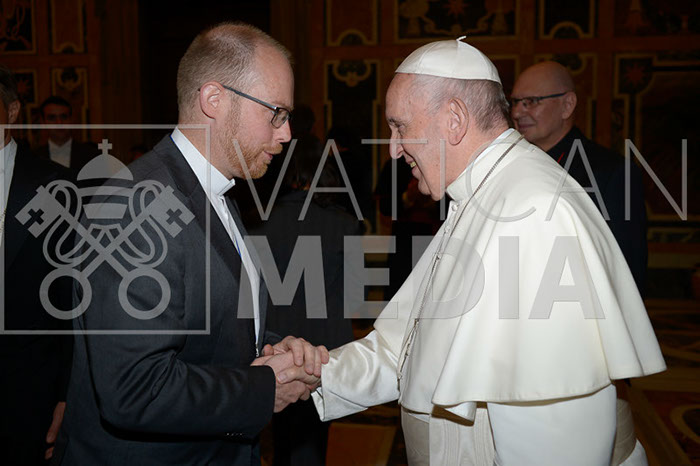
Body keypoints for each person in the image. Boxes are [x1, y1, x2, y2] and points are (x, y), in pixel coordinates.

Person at [307, 38, 666, 465]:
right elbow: (406, 346)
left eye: (400, 127)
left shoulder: (533, 214)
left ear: (454, 119)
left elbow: (554, 444)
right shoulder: (480, 193)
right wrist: (314, 374)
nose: (394, 148)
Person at [53, 23, 325, 465]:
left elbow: (206, 326)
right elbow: (134, 389)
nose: (286, 133)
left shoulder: (216, 192)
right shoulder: (135, 207)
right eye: (276, 113)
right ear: (214, 99)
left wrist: (273, 350)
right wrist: (262, 388)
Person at [252, 135, 363, 465]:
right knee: (312, 443)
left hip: (274, 345)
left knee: (281, 436)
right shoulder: (344, 224)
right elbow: (355, 297)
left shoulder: (258, 222)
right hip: (323, 352)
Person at [511, 61, 647, 293]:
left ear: (567, 105)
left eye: (531, 102)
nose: (516, 113)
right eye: (514, 102)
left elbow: (627, 271)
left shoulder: (611, 172)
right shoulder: (511, 166)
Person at [0, 65, 73, 464]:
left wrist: (67, 393)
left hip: (29, 393)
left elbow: (71, 296)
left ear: (11, 111)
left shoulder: (54, 186)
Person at [35, 96, 99, 171]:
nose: (59, 123)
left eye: (64, 117)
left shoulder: (92, 155)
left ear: (71, 119)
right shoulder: (34, 158)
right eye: (52, 118)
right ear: (43, 122)